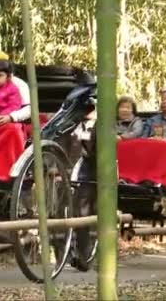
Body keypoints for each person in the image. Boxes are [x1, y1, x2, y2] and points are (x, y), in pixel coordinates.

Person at [71, 104, 97, 272]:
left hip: (100, 169)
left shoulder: (104, 125)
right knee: (80, 212)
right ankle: (80, 255)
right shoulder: (76, 126)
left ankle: (89, 256)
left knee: (89, 212)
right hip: (82, 170)